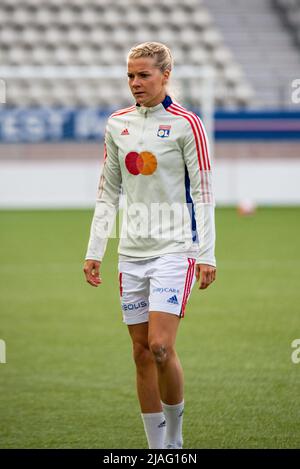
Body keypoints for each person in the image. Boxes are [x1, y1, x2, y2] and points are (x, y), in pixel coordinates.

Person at [83, 42, 216, 449]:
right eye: (130, 75)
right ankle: (155, 449)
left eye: (143, 75)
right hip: (131, 253)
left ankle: (174, 441)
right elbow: (108, 192)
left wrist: (206, 253)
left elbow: (204, 191)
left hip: (176, 249)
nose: (135, 83)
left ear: (165, 76)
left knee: (160, 346)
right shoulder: (116, 123)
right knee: (140, 353)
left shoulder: (186, 124)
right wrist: (95, 249)